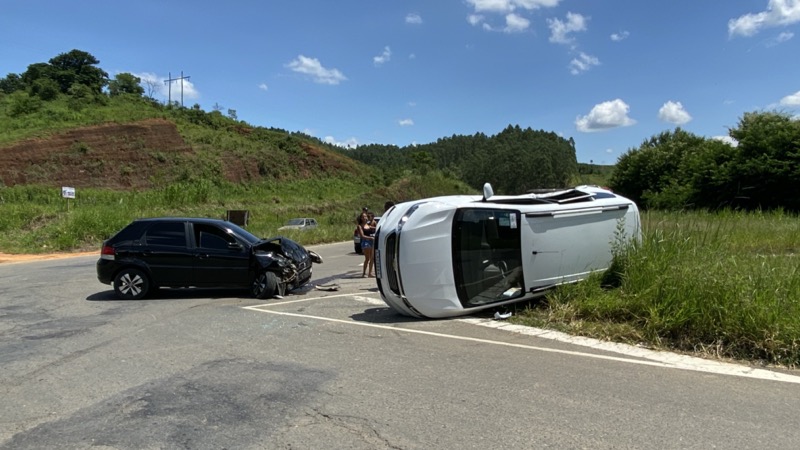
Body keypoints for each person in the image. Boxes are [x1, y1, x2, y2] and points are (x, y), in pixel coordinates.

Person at [356, 212, 375, 277]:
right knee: (367, 258)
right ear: (361, 218)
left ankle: (370, 273)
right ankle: (364, 273)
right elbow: (362, 236)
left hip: (371, 242)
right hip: (366, 242)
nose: (365, 218)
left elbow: (375, 228)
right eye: (363, 217)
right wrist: (371, 238)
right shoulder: (360, 226)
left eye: (366, 216)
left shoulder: (369, 225)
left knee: (372, 258)